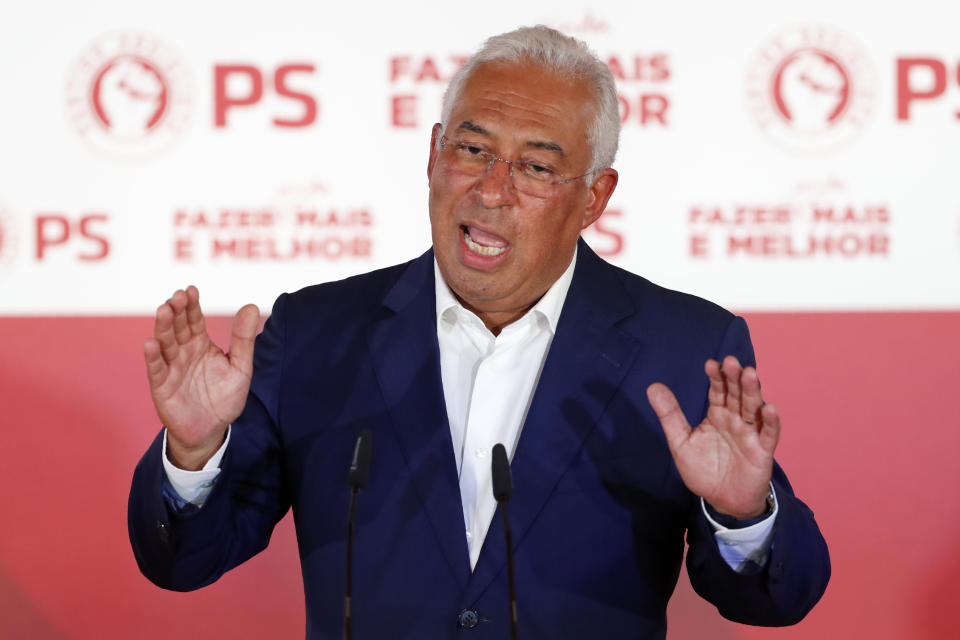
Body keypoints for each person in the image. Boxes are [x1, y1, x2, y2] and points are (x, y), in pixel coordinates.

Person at [129, 25, 829, 639]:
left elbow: (772, 602)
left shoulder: (684, 347)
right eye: (472, 149)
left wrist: (741, 516)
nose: (492, 190)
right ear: (435, 153)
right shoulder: (317, 333)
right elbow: (185, 560)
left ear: (593, 197)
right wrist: (193, 451)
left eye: (535, 166)